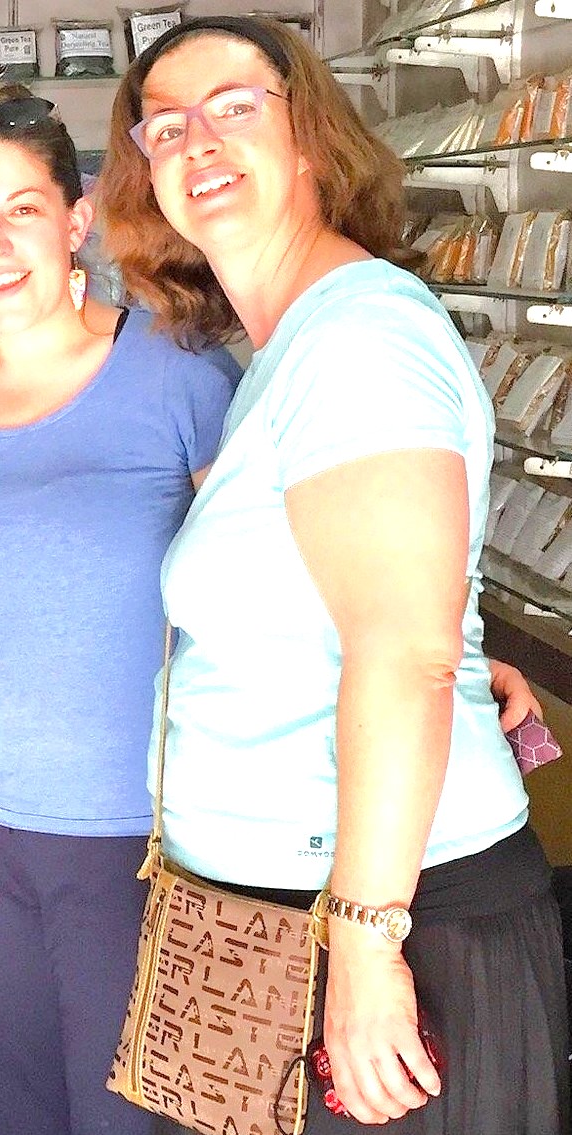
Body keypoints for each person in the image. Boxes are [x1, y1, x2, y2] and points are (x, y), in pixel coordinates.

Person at [96, 15, 569, 1132]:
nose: (197, 140)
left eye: (233, 107)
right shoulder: (289, 343)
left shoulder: (358, 337)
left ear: (309, 135)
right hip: (280, 914)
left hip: (384, 923)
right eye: (164, 126)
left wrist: (363, 945)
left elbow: (402, 657)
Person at [0, 95, 241, 1135]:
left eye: (21, 210)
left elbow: (262, 593)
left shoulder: (177, 374)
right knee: (10, 1107)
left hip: (143, 832)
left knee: (131, 1116)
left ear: (75, 220)